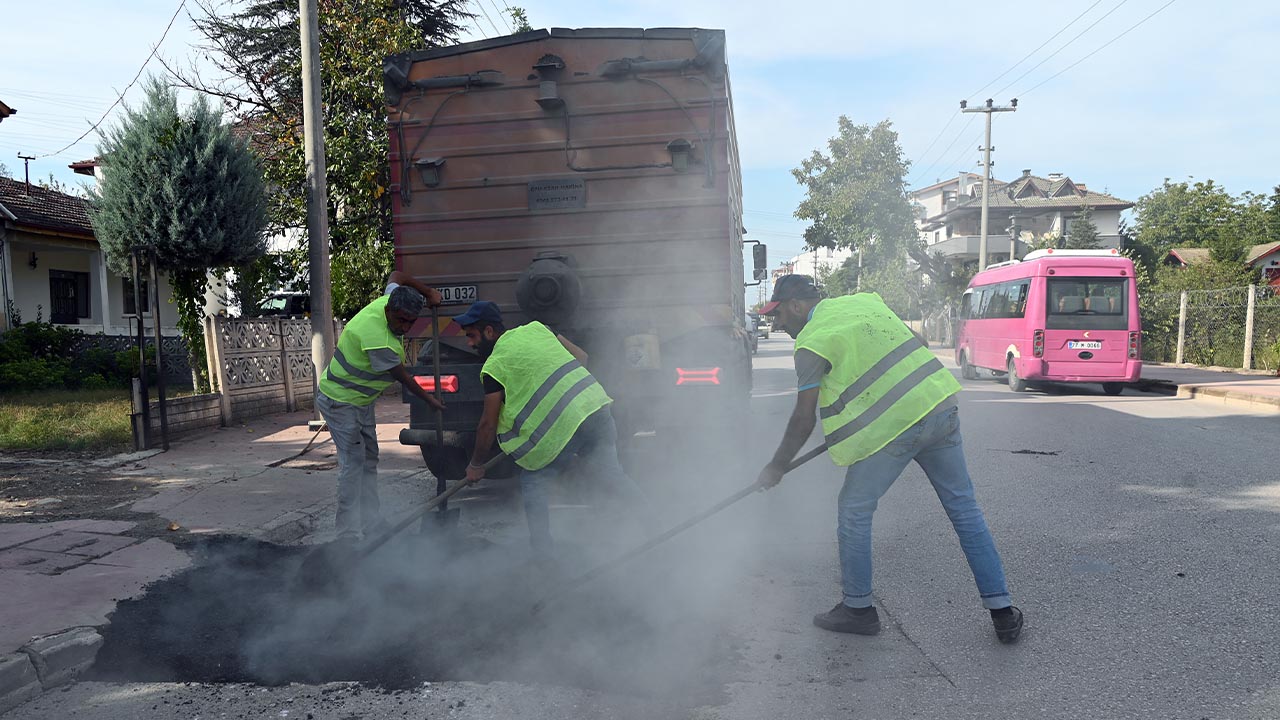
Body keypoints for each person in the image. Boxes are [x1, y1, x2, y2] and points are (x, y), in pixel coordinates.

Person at [755, 274, 1023, 644]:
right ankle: (1003, 612)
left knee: (854, 510)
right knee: (964, 510)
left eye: (780, 314)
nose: (778, 323)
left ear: (797, 306)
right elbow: (919, 343)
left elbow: (803, 419)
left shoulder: (810, 343)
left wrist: (776, 466)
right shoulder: (865, 302)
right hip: (939, 409)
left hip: (892, 431)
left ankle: (858, 610)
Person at [456, 301, 649, 558]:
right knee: (613, 476)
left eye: (472, 336)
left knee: (533, 480)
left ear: (489, 332)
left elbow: (487, 424)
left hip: (568, 427)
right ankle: (653, 522)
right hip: (596, 411)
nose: (469, 343)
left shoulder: (494, 366)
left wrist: (476, 464)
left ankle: (543, 555)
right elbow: (582, 357)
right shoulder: (538, 329)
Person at [315, 271, 446, 542]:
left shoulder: (388, 299)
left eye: (411, 322)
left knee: (369, 460)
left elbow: (397, 274)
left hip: (360, 402)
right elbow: (404, 379)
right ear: (388, 310)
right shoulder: (379, 340)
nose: (406, 327)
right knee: (353, 464)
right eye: (401, 320)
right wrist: (431, 400)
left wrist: (427, 290)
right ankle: (347, 534)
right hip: (340, 402)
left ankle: (372, 523)